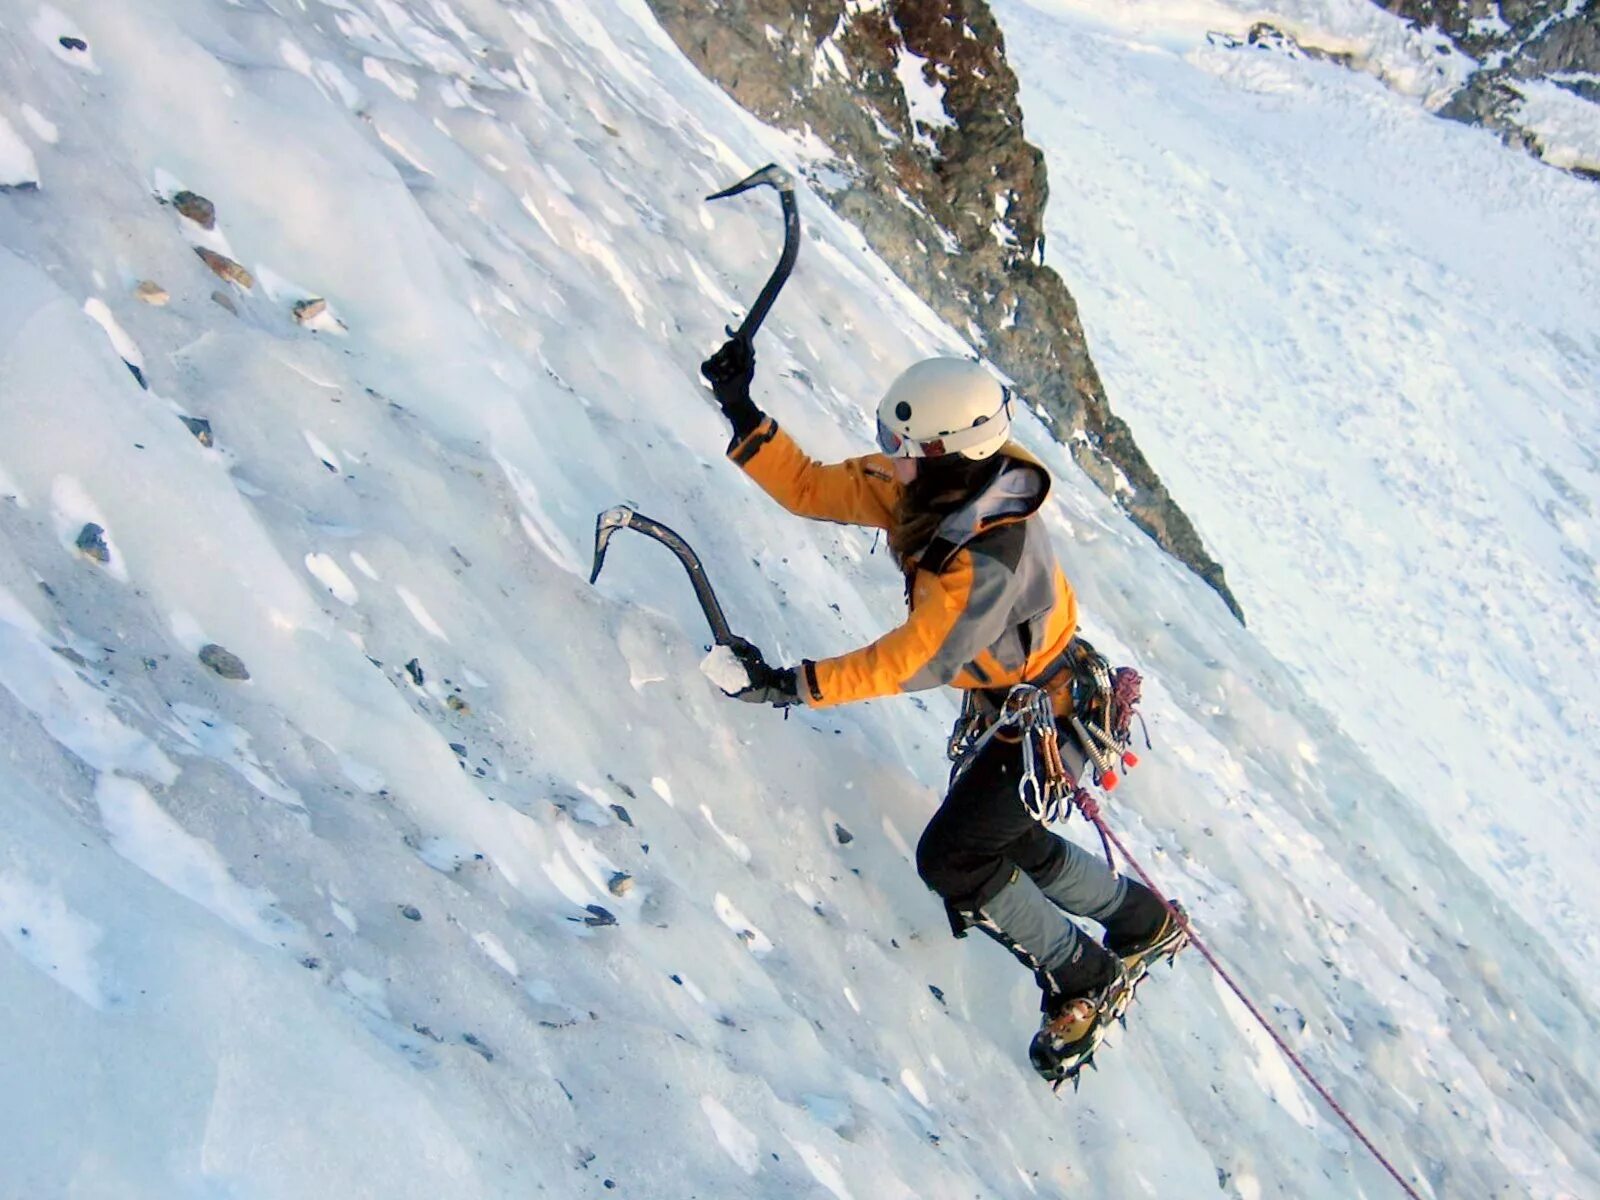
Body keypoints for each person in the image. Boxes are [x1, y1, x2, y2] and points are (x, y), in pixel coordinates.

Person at [700, 335, 1185, 1077]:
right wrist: (742, 411)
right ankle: (1139, 920)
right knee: (1001, 837)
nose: (889, 454)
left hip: (1046, 721)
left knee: (956, 855)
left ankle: (1082, 974)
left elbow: (911, 659)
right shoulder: (930, 489)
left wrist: (792, 684)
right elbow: (809, 487)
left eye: (902, 443)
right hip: (1032, 708)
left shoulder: (983, 556)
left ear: (945, 453)